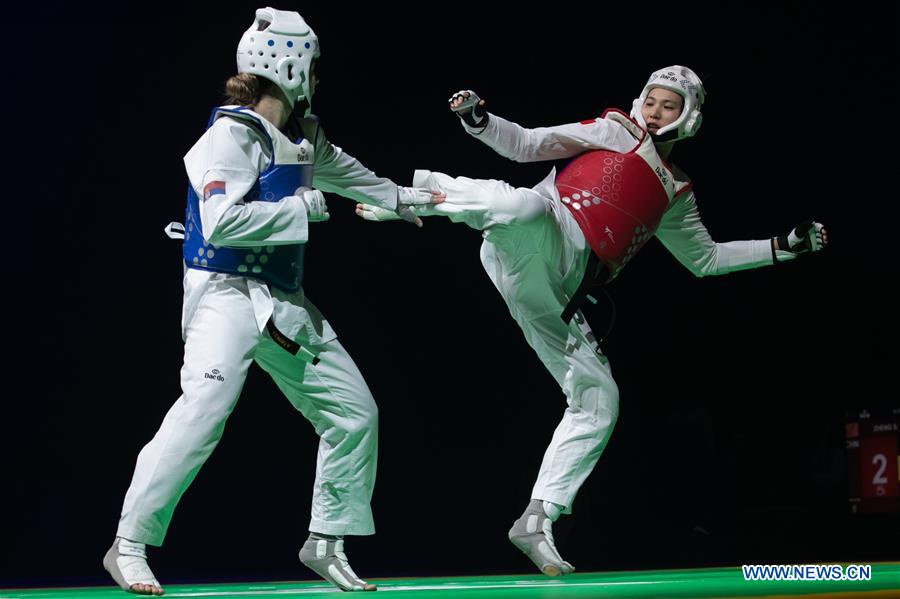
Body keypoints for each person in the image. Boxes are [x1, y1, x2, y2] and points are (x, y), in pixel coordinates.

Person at [357, 65, 827, 576]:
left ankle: (538, 517)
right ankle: (404, 198)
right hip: (544, 231)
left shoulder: (677, 192)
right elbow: (529, 144)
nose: (655, 112)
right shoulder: (614, 130)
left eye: (669, 106)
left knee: (601, 398)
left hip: (555, 287)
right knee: (521, 207)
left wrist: (782, 249)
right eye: (651, 100)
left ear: (689, 119)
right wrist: (479, 120)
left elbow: (706, 259)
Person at [103, 7, 441, 595]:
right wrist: (299, 210)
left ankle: (327, 540)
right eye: (312, 66)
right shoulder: (228, 136)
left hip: (283, 300)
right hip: (224, 297)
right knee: (204, 410)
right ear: (287, 65)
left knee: (353, 412)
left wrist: (409, 199)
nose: (317, 77)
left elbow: (347, 172)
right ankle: (128, 544)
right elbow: (222, 221)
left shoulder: (303, 134)